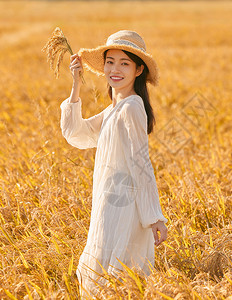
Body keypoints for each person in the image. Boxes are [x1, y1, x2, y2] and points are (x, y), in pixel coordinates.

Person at [59, 30, 168, 298]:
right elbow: (77, 134)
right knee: (105, 274)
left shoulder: (131, 108)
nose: (115, 69)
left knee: (114, 276)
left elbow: (142, 164)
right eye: (110, 62)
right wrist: (75, 83)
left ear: (139, 69)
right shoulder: (115, 108)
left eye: (124, 63)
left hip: (124, 207)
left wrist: (154, 217)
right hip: (108, 202)